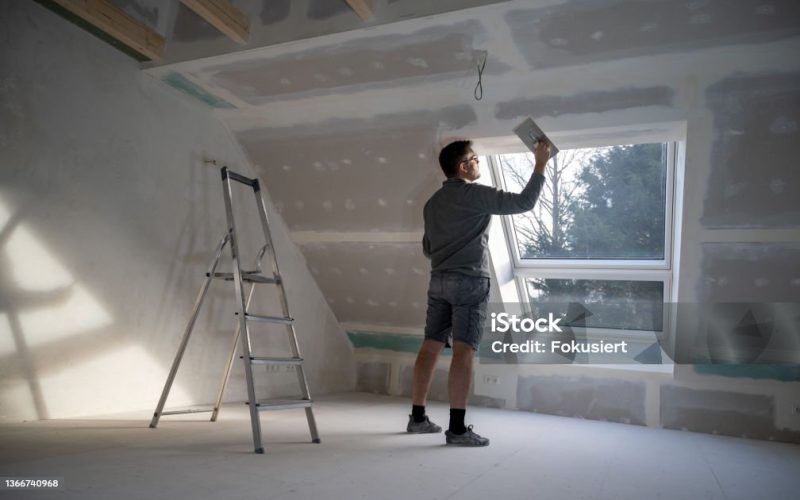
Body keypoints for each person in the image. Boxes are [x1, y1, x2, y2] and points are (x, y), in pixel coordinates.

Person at [406, 139, 551, 446]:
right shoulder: (476, 195)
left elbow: (428, 249)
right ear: (463, 166)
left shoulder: (432, 203)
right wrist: (540, 164)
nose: (479, 163)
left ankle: (417, 418)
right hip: (469, 282)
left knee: (430, 346)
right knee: (464, 351)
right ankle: (457, 430)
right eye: (475, 159)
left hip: (439, 281)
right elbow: (524, 202)